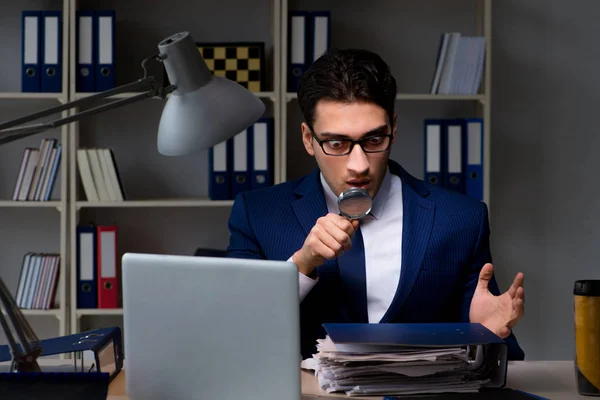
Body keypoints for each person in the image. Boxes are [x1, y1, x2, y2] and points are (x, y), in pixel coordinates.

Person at [226, 48, 525, 361]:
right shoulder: (257, 214)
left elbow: (506, 361)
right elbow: (233, 334)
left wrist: (485, 337)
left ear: (393, 129)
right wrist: (302, 264)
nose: (359, 165)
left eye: (373, 140)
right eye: (337, 143)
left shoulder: (462, 219)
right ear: (307, 139)